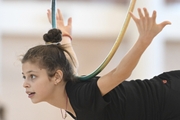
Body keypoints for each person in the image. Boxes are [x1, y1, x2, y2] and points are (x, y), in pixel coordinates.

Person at [21, 7, 180, 120]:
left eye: (32, 76)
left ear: (56, 77)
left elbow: (120, 74)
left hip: (171, 98)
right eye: (25, 77)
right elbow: (70, 66)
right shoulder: (70, 91)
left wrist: (144, 40)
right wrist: (66, 36)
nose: (25, 84)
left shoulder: (81, 96)